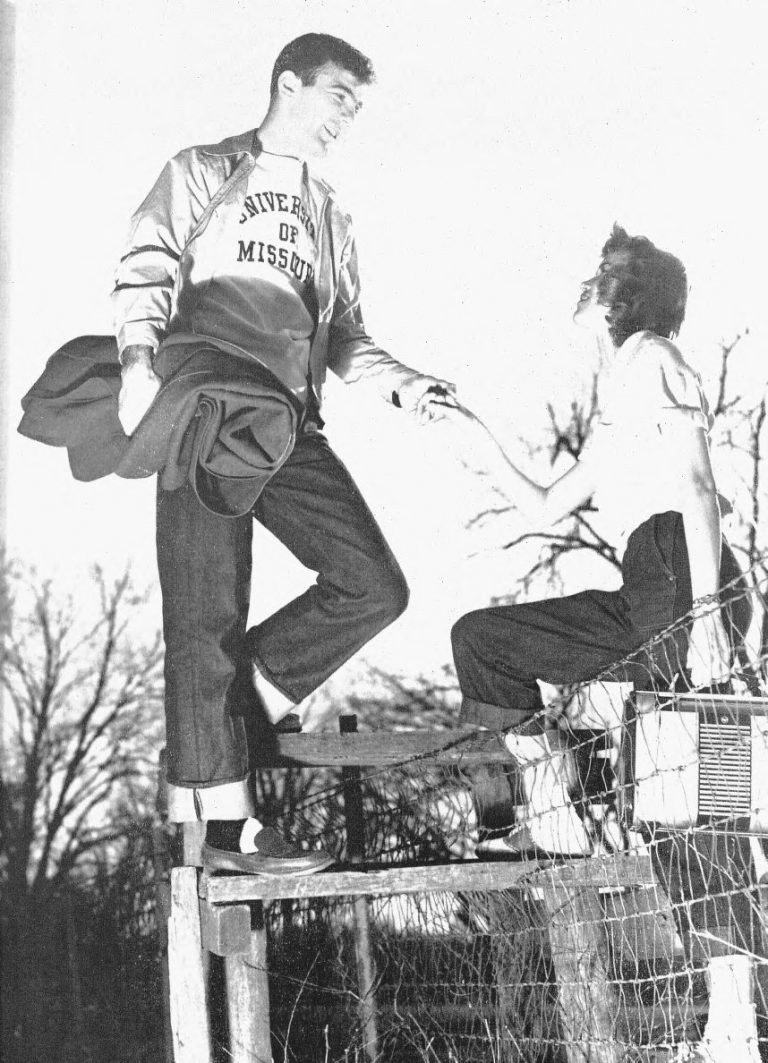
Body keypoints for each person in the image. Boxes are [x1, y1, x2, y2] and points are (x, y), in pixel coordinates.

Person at [112, 34, 456, 875]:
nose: (348, 119)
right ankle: (230, 828)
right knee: (206, 611)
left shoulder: (330, 214)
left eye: (357, 108)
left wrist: (405, 385)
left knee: (372, 584)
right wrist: (136, 360)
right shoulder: (205, 169)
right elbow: (147, 260)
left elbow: (345, 336)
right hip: (205, 401)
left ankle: (232, 716)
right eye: (340, 97)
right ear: (289, 84)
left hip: (289, 421)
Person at [447, 224, 752, 858]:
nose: (588, 282)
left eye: (605, 274)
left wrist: (706, 618)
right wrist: (470, 428)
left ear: (634, 296)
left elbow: (699, 487)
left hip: (679, 573)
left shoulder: (655, 357)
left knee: (692, 793)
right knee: (484, 640)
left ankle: (721, 923)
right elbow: (546, 503)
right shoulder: (627, 382)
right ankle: (537, 823)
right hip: (651, 585)